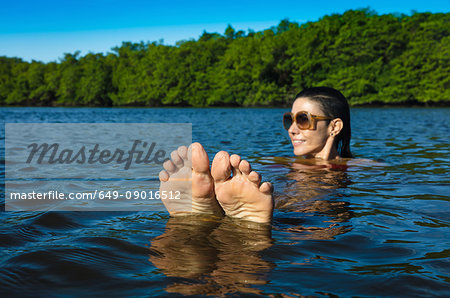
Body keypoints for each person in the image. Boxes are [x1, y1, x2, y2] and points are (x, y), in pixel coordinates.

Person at [158, 87, 352, 224]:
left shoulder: (362, 166)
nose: (292, 129)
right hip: (290, 215)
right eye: (289, 120)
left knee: (305, 209)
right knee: (269, 202)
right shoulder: (278, 163)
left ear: (334, 127)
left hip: (303, 214)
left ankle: (208, 220)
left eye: (302, 119)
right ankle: (220, 211)